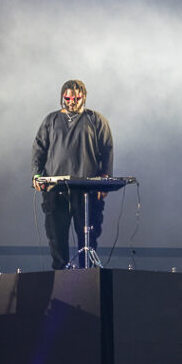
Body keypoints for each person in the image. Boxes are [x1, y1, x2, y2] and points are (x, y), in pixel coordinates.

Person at [31, 80, 113, 269]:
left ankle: (87, 278)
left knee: (88, 239)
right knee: (56, 237)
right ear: (62, 97)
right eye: (67, 98)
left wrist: (105, 179)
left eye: (76, 98)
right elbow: (39, 149)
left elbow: (107, 150)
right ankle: (60, 278)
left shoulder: (96, 119)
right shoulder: (50, 120)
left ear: (84, 97)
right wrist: (36, 175)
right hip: (55, 188)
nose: (71, 102)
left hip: (87, 189)